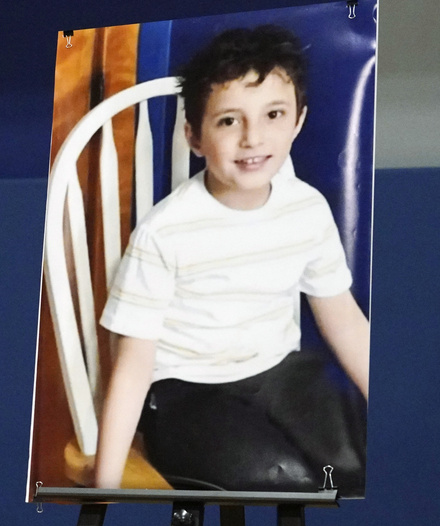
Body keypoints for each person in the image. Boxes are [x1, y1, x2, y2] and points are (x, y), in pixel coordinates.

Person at [94, 25, 369, 495]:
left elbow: (342, 319)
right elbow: (135, 363)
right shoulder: (166, 232)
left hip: (281, 373)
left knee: (355, 460)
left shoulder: (306, 209)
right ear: (194, 136)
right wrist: (103, 485)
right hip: (189, 391)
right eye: (228, 121)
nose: (252, 138)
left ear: (298, 120)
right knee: (280, 479)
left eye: (273, 114)